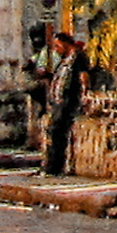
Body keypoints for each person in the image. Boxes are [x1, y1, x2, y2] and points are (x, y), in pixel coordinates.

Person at [40, 27, 89, 178]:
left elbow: (83, 77)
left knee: (58, 132)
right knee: (54, 132)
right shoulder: (64, 60)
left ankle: (55, 167)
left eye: (58, 45)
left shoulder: (78, 57)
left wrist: (85, 95)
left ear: (66, 44)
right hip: (59, 100)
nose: (56, 49)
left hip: (69, 100)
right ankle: (52, 165)